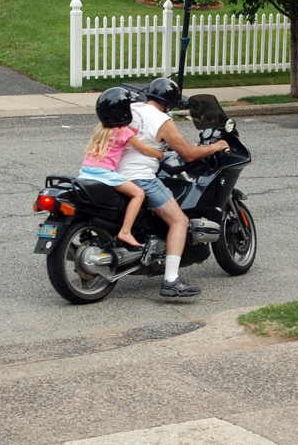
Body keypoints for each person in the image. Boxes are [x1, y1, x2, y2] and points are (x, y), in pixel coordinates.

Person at [117, 78, 229, 297]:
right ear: (169, 104)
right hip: (141, 179)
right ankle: (171, 280)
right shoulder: (162, 121)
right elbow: (187, 153)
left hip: (113, 176)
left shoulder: (130, 109)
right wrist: (216, 146)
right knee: (179, 221)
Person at [78, 87, 164, 248]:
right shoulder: (123, 131)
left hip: (86, 171)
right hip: (104, 174)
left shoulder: (101, 128)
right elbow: (144, 149)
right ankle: (125, 231)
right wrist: (160, 154)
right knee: (138, 194)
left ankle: (93, 230)